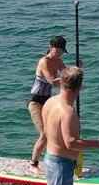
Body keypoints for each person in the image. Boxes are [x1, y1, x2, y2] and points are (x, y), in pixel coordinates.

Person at [27, 35, 68, 170]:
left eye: (62, 52)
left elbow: (66, 72)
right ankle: (33, 163)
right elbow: (51, 81)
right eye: (58, 51)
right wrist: (69, 78)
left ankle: (55, 160)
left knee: (55, 132)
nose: (60, 54)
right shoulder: (44, 62)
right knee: (44, 134)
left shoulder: (59, 61)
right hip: (35, 101)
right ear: (51, 48)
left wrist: (76, 69)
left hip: (47, 101)